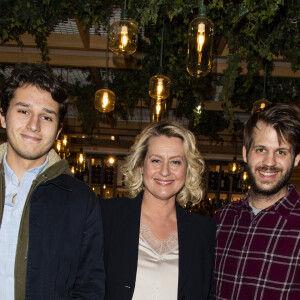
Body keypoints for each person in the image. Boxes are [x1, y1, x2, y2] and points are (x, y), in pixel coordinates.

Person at [0, 63, 105, 300]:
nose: (34, 125)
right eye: (23, 111)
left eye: (46, 116)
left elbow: (89, 289)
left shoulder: (81, 200)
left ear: (58, 131)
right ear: (3, 117)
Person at [100, 121, 215, 300]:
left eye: (175, 162)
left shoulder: (203, 231)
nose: (164, 171)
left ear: (187, 169)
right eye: (156, 160)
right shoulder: (106, 217)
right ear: (141, 165)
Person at [214, 103, 300, 299]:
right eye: (261, 150)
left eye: (281, 152)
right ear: (246, 153)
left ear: (296, 159)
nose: (269, 162)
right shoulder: (222, 219)